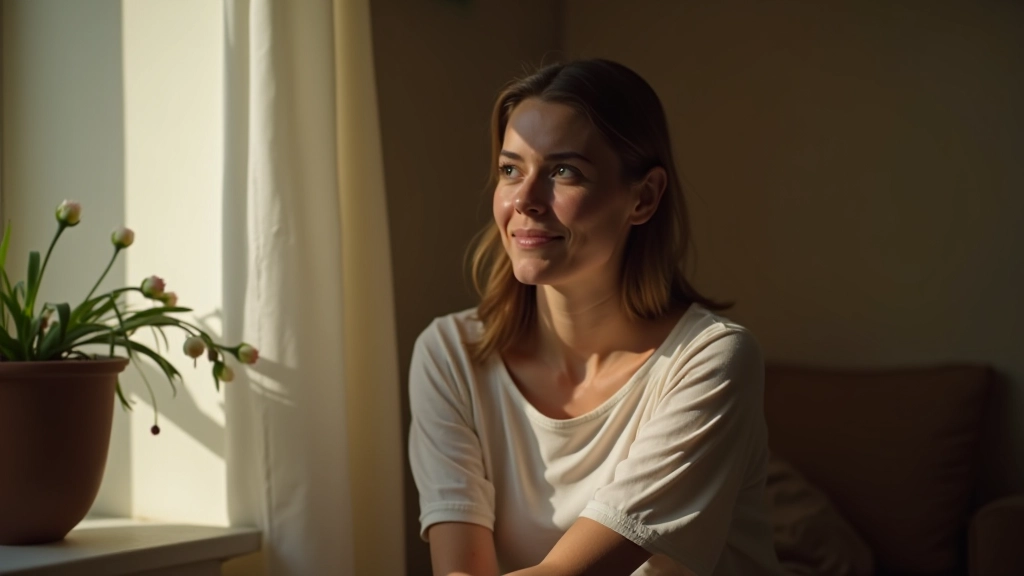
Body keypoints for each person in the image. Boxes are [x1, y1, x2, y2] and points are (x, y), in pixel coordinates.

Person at [408, 59, 785, 576]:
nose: (524, 200)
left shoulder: (710, 360)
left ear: (644, 197)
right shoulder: (449, 353)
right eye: (510, 169)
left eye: (564, 172)